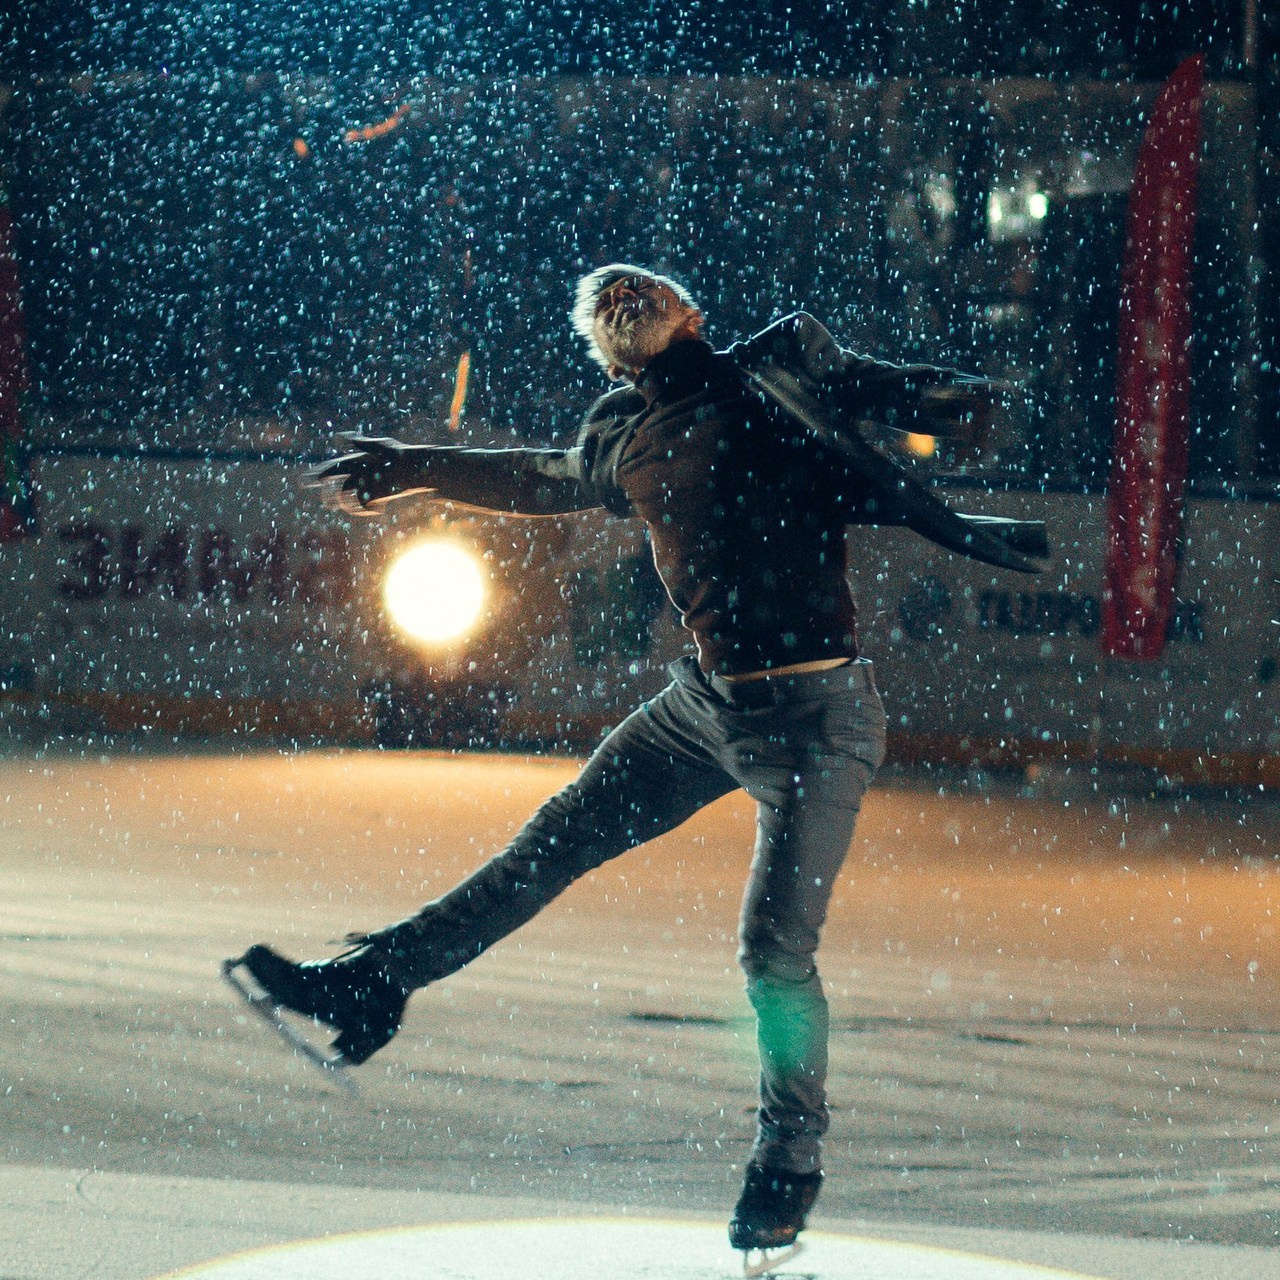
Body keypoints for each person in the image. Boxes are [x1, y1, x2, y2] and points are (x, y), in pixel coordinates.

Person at [229, 264, 1047, 1263]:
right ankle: (375, 980)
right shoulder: (625, 434)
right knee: (546, 848)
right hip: (702, 708)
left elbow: (894, 390)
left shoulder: (780, 377)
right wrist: (413, 465)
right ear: (603, 347)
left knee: (771, 955)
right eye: (606, 311)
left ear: (687, 317)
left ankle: (787, 1163)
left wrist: (960, 398)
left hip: (816, 720)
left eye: (637, 300)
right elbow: (538, 476)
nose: (623, 314)